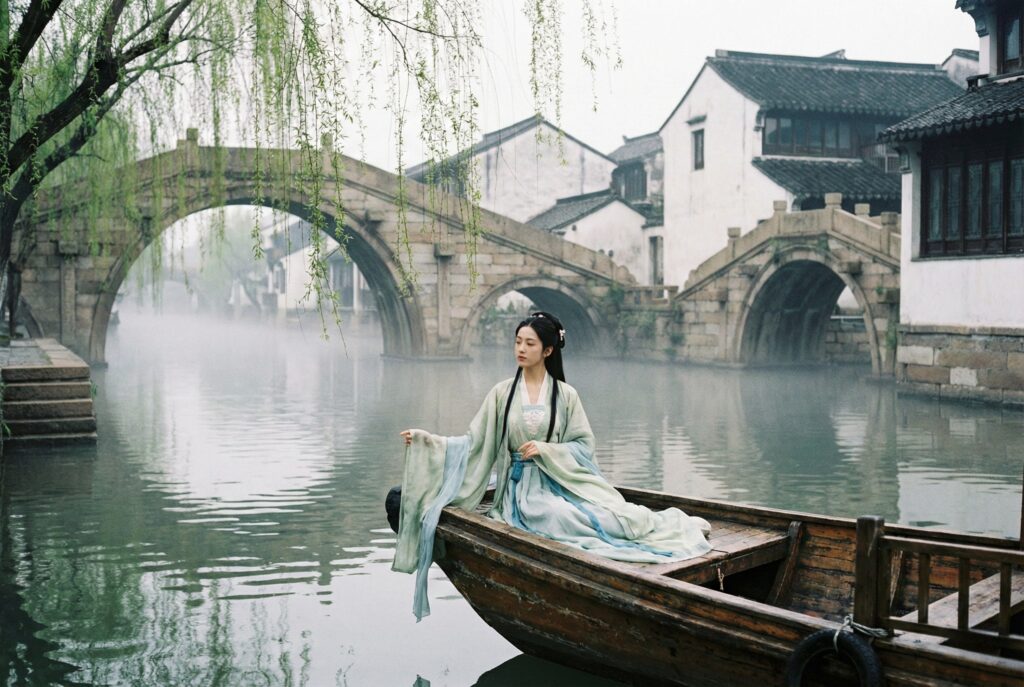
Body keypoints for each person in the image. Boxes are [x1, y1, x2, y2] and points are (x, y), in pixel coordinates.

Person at [393, 311, 712, 619]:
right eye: (518, 341)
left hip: (563, 481)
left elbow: (584, 447)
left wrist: (548, 450)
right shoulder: (502, 394)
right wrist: (427, 441)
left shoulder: (566, 395)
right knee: (561, 517)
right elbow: (475, 443)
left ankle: (671, 526)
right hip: (522, 495)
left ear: (547, 350)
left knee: (613, 513)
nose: (520, 349)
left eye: (529, 343)